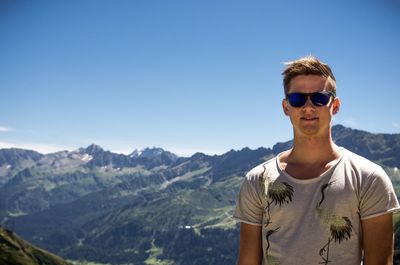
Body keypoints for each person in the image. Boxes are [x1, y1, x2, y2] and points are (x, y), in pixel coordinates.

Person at [233, 55, 400, 265]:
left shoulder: (369, 178)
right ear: (286, 107)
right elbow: (248, 261)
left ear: (335, 105)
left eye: (320, 98)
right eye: (297, 99)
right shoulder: (256, 180)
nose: (308, 107)